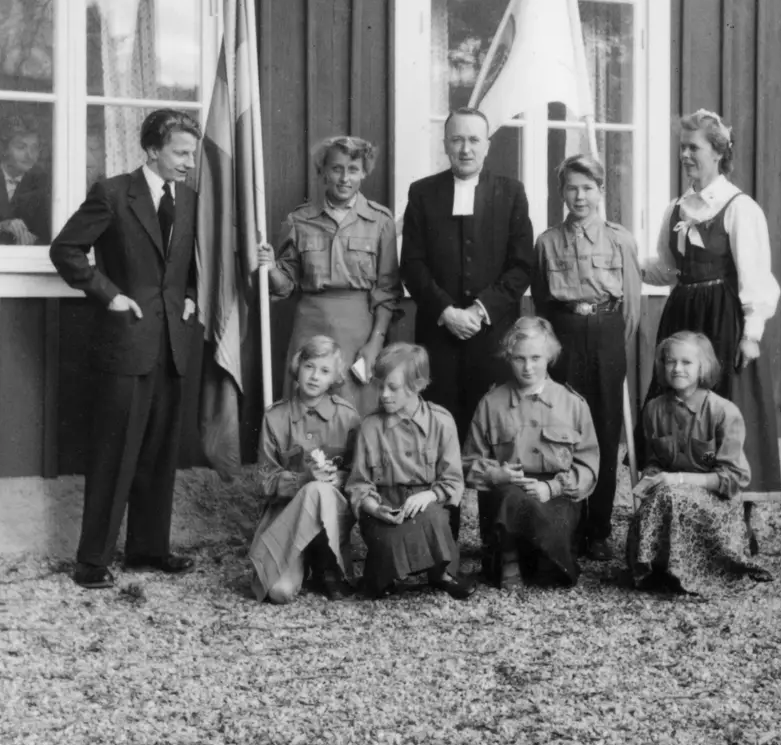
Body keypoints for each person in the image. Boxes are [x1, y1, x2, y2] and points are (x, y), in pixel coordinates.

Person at [49, 108, 201, 590]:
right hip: (125, 343)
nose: (189, 162)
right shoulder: (113, 193)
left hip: (171, 345)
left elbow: (185, 264)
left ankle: (148, 550)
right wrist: (108, 294)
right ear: (152, 150)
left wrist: (190, 294)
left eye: (192, 153)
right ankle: (92, 560)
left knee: (158, 452)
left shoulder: (189, 199)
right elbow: (66, 249)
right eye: (180, 153)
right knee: (114, 453)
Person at [642, 109, 781, 555]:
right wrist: (625, 254)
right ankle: (684, 520)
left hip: (723, 320)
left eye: (694, 147)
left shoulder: (740, 208)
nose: (685, 155)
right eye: (682, 147)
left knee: (727, 410)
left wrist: (751, 332)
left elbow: (756, 276)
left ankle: (739, 525)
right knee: (677, 408)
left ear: (719, 152)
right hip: (683, 317)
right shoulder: (676, 208)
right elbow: (666, 270)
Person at [400, 107, 535, 535]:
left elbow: (522, 265)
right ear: (445, 143)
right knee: (440, 432)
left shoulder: (511, 192)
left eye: (474, 140)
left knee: (495, 433)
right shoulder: (423, 192)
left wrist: (478, 311)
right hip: (439, 335)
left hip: (492, 336)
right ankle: (445, 539)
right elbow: (412, 264)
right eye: (457, 139)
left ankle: (498, 543)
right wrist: (446, 311)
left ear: (487, 145)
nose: (465, 148)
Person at [531, 154, 640, 562]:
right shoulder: (547, 242)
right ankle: (569, 523)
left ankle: (599, 528)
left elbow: (631, 308)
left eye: (588, 188)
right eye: (572, 188)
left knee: (606, 428)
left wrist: (611, 342)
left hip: (606, 333)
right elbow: (542, 302)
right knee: (563, 426)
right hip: (564, 334)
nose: (580, 196)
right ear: (562, 193)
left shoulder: (620, 240)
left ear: (601, 191)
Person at [258, 135, 400, 415]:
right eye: (336, 169)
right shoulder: (299, 220)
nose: (345, 178)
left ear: (364, 173)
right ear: (323, 171)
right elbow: (286, 286)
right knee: (305, 407)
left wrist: (375, 343)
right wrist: (272, 268)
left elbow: (387, 291)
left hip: (358, 331)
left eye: (353, 170)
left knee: (354, 408)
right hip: (310, 325)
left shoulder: (380, 221)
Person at [628, 332, 771, 596]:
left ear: (703, 366)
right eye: (670, 361)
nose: (677, 368)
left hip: (715, 503)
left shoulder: (723, 411)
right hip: (670, 496)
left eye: (686, 362)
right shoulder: (654, 410)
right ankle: (655, 570)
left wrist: (680, 479)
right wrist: (651, 477)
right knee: (662, 497)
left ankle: (699, 571)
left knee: (672, 496)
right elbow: (655, 461)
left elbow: (733, 479)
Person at [463, 317, 599, 589]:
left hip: (555, 494)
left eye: (536, 358)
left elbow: (588, 467)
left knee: (554, 573)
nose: (528, 367)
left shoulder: (573, 404)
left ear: (550, 356)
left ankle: (546, 557)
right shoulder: (491, 404)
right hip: (507, 493)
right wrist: (496, 474)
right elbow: (468, 463)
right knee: (512, 499)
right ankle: (508, 558)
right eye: (519, 358)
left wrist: (552, 488)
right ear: (508, 357)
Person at [345, 344, 476, 601]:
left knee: (433, 518)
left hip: (427, 503)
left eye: (392, 387)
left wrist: (429, 495)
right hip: (384, 505)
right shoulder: (370, 427)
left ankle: (442, 573)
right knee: (387, 539)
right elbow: (359, 485)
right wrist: (375, 509)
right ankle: (383, 574)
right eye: (379, 386)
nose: (383, 395)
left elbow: (452, 480)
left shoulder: (442, 421)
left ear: (417, 385)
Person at [249, 336, 360, 604]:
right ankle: (301, 561)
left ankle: (328, 566)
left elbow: (361, 475)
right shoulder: (275, 417)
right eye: (309, 366)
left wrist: (339, 477)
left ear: (335, 378)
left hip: (332, 520)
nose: (314, 376)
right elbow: (264, 480)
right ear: (297, 367)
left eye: (324, 370)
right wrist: (302, 480)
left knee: (319, 490)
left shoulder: (347, 417)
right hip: (288, 517)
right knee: (279, 592)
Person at [0, 114, 50, 245]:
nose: (30, 155)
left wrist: (33, 241)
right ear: (4, 149)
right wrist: (0, 227)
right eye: (21, 147)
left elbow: (48, 234)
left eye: (35, 148)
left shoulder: (43, 183)